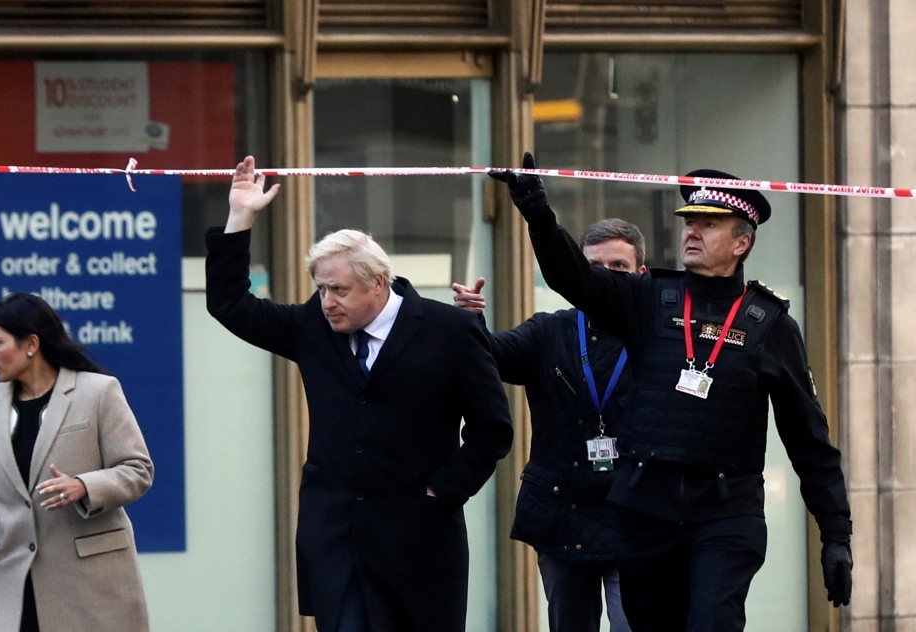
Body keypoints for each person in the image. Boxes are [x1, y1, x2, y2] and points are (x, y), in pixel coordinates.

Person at [490, 154, 853, 632]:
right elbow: (571, 277)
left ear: (742, 242)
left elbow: (809, 441)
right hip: (647, 510)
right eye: (689, 223)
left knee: (710, 620)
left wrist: (835, 533)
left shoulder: (771, 325)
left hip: (724, 512)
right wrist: (537, 212)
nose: (692, 232)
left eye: (709, 224)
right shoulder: (647, 298)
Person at [205, 156, 514, 632]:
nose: (327, 301)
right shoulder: (313, 326)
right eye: (321, 288)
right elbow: (230, 305)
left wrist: (441, 491)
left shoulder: (448, 329)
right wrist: (240, 216)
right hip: (337, 544)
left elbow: (493, 429)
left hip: (419, 546)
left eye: (339, 290)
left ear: (377, 283)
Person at [452, 218, 647, 632]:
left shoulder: (659, 337)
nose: (605, 278)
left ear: (641, 275)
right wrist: (469, 322)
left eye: (619, 267)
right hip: (562, 514)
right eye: (593, 266)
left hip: (636, 516)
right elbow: (494, 355)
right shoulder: (551, 330)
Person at [0, 292, 154, 632]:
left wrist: (83, 486)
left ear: (31, 344)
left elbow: (137, 469)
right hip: (7, 585)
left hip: (90, 587)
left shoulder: (97, 392)